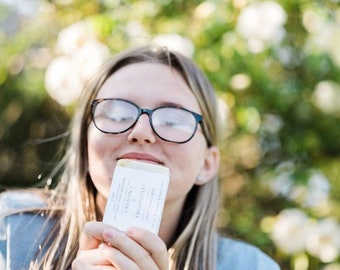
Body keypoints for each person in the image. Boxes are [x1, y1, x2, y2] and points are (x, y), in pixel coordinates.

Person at [0, 45, 280, 269]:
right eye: (116, 114)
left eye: (172, 119)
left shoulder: (250, 266)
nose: (141, 131)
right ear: (85, 148)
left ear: (207, 164)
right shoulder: (10, 231)